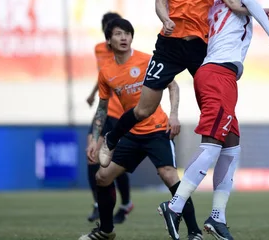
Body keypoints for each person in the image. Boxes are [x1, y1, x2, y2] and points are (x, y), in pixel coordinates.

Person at [99, 0, 269, 168]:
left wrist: (259, 11)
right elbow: (160, 1)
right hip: (169, 47)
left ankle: (220, 151)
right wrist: (165, 19)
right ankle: (111, 139)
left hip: (199, 49)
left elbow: (235, 5)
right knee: (144, 110)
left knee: (211, 103)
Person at [159, 0, 269, 240]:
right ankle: (173, 207)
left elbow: (241, 12)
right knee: (212, 145)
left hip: (219, 77)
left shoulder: (217, 8)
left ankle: (217, 216)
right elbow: (247, 1)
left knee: (231, 146)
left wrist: (257, 11)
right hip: (218, 76)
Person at [80, 18, 203, 240]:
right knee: (102, 177)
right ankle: (106, 231)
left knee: (169, 176)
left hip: (157, 130)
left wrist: (174, 114)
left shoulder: (148, 60)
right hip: (131, 134)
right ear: (109, 40)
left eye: (127, 33)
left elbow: (172, 85)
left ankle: (195, 232)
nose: (124, 37)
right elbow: (102, 108)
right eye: (118, 34)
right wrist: (94, 139)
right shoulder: (106, 72)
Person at [84, 12, 133, 223]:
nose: (118, 37)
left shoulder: (127, 55)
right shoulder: (99, 50)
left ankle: (125, 203)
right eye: (113, 33)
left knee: (113, 163)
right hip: (104, 112)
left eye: (122, 33)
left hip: (120, 113)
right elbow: (104, 74)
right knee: (92, 155)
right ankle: (97, 202)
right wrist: (94, 93)